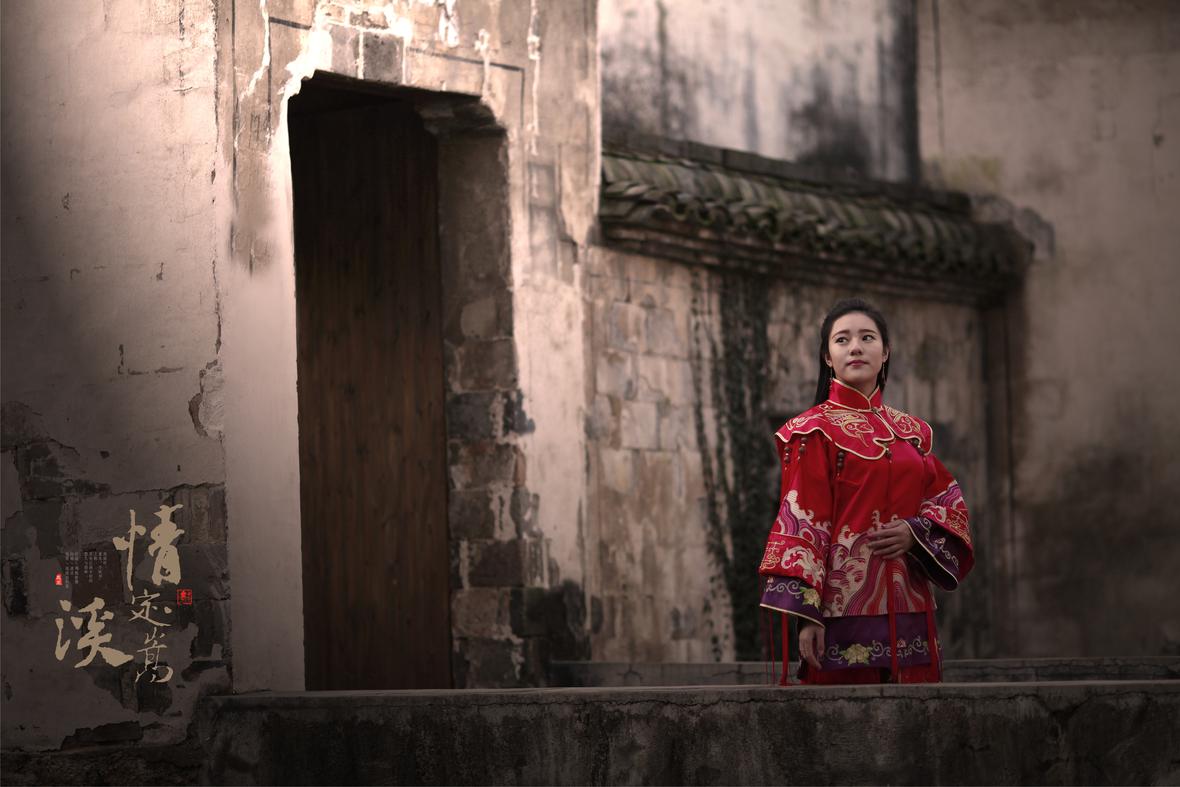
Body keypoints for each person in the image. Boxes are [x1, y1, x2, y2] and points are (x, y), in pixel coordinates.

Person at [758, 298, 974, 684]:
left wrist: (915, 531)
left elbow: (947, 502)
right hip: (840, 611)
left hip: (911, 606)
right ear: (828, 357)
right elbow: (803, 521)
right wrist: (808, 616)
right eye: (842, 340)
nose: (855, 347)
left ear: (885, 351)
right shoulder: (812, 431)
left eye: (867, 338)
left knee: (918, 714)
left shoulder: (912, 433)